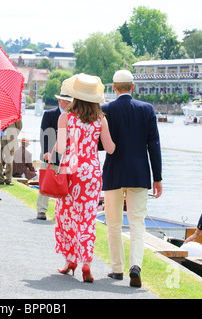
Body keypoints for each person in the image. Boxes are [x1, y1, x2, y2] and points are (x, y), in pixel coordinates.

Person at [101, 70, 163, 288]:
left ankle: (117, 268)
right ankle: (135, 266)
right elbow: (153, 144)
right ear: (133, 87)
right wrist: (158, 177)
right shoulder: (147, 109)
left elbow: (101, 144)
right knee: (137, 223)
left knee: (113, 224)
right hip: (139, 173)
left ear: (115, 88)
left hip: (114, 172)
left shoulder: (106, 110)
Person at [54, 73, 115, 283]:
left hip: (70, 171)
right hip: (90, 172)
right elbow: (109, 148)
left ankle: (70, 260)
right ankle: (86, 261)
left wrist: (52, 150)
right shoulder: (101, 119)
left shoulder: (66, 117)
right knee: (87, 218)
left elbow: (61, 148)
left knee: (67, 216)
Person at [36, 88, 73, 220]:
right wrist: (45, 151)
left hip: (67, 156)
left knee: (64, 186)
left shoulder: (73, 117)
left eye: (70, 101)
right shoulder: (50, 114)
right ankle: (41, 210)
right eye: (66, 101)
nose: (69, 103)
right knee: (46, 183)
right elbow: (44, 134)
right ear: (60, 100)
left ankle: (63, 213)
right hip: (50, 154)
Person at [0, 119, 22, 186]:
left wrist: (14, 134)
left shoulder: (15, 113)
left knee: (9, 161)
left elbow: (19, 126)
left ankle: (8, 179)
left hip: (11, 139)